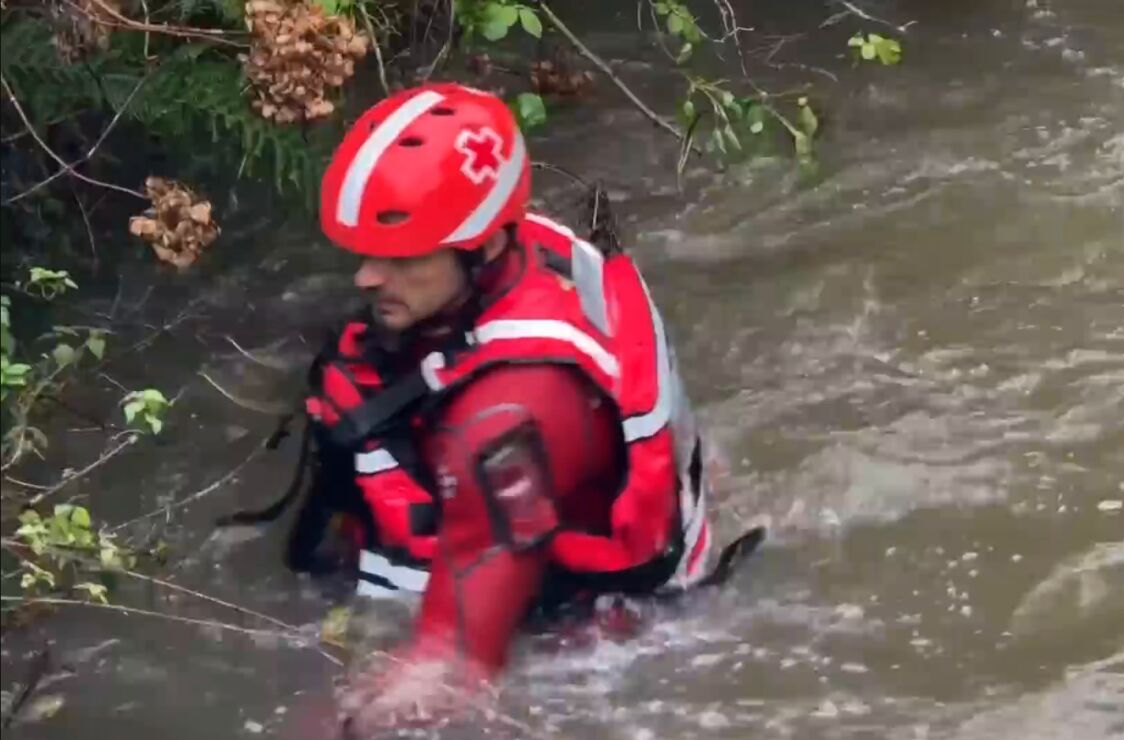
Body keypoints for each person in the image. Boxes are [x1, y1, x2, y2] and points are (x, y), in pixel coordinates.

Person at [266, 82, 761, 731]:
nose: (365, 277)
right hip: (600, 499)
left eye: (400, 256)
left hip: (594, 632)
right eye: (366, 252)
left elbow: (452, 665)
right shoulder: (530, 246)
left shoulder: (505, 424)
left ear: (478, 245)